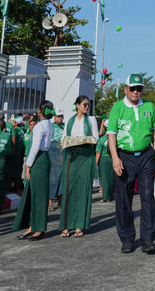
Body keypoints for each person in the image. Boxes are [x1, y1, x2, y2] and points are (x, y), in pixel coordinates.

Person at [106, 73, 155, 255]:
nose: (136, 92)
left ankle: (148, 240)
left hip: (146, 156)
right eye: (132, 88)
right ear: (126, 89)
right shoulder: (117, 108)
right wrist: (115, 158)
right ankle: (127, 239)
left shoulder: (149, 106)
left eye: (139, 88)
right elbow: (111, 134)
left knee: (147, 196)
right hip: (124, 157)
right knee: (123, 199)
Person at [14, 100, 54, 241]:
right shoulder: (48, 124)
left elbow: (35, 147)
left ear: (39, 111)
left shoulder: (39, 126)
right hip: (43, 159)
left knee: (39, 195)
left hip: (39, 159)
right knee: (34, 194)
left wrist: (28, 166)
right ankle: (33, 226)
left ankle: (39, 228)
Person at [60, 95, 97, 238]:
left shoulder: (91, 120)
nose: (86, 107)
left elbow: (95, 138)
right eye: (84, 104)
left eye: (88, 105)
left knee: (83, 191)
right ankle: (66, 225)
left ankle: (80, 225)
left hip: (86, 157)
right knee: (69, 189)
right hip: (71, 156)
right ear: (77, 105)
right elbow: (64, 139)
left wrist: (81, 140)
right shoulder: (70, 121)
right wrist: (70, 141)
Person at [49, 109, 66, 211]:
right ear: (54, 117)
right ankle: (50, 201)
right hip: (53, 152)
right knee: (53, 177)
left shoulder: (65, 126)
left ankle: (60, 201)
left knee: (62, 177)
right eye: (58, 116)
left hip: (63, 151)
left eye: (61, 116)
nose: (60, 118)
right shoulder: (51, 126)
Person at [95, 121, 115, 202]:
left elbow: (98, 153)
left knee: (104, 179)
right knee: (112, 178)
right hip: (112, 159)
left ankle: (105, 197)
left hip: (103, 160)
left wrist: (95, 163)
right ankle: (111, 196)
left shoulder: (102, 139)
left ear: (104, 128)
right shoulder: (115, 138)